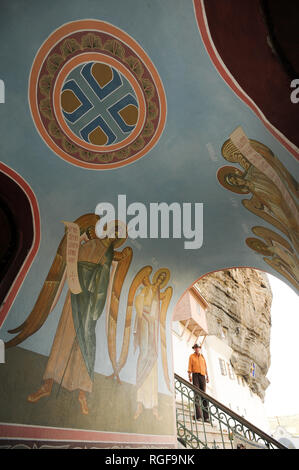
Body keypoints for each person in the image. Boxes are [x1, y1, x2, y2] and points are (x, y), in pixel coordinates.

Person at [188, 343, 210, 422]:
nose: (197, 349)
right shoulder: (191, 356)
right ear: (194, 349)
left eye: (198, 348)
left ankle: (206, 417)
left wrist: (207, 376)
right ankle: (199, 416)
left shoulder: (202, 357)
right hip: (195, 375)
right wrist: (189, 375)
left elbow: (205, 367)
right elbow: (190, 366)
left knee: (204, 396)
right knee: (197, 395)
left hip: (202, 376)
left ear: (200, 348)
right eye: (195, 348)